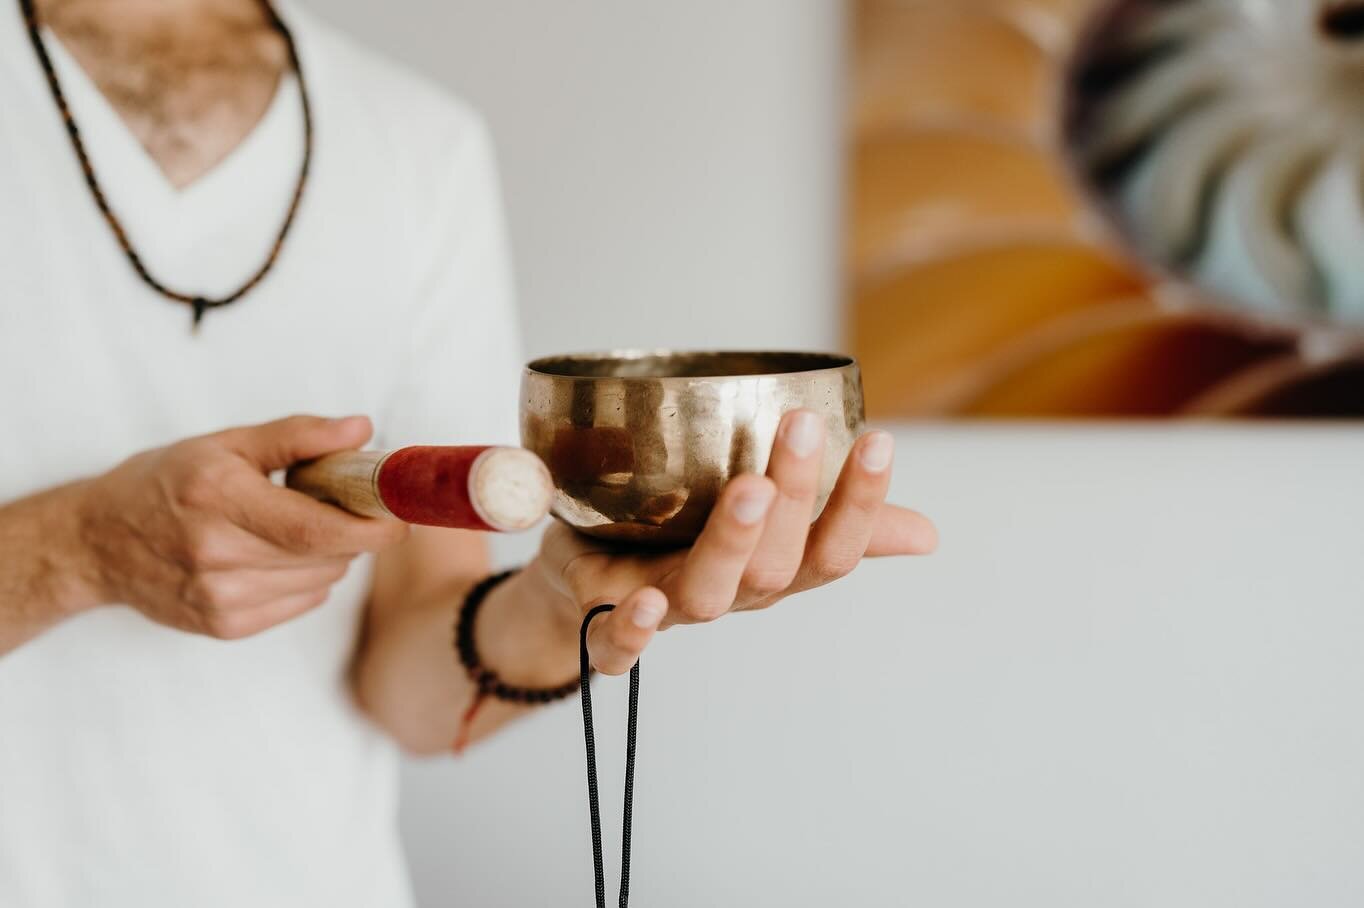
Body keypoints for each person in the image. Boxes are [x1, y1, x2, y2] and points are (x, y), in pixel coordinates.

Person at [0, 0, 937, 904]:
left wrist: (551, 606)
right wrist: (75, 550)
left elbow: (402, 683)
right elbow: (75, 550)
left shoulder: (415, 142)